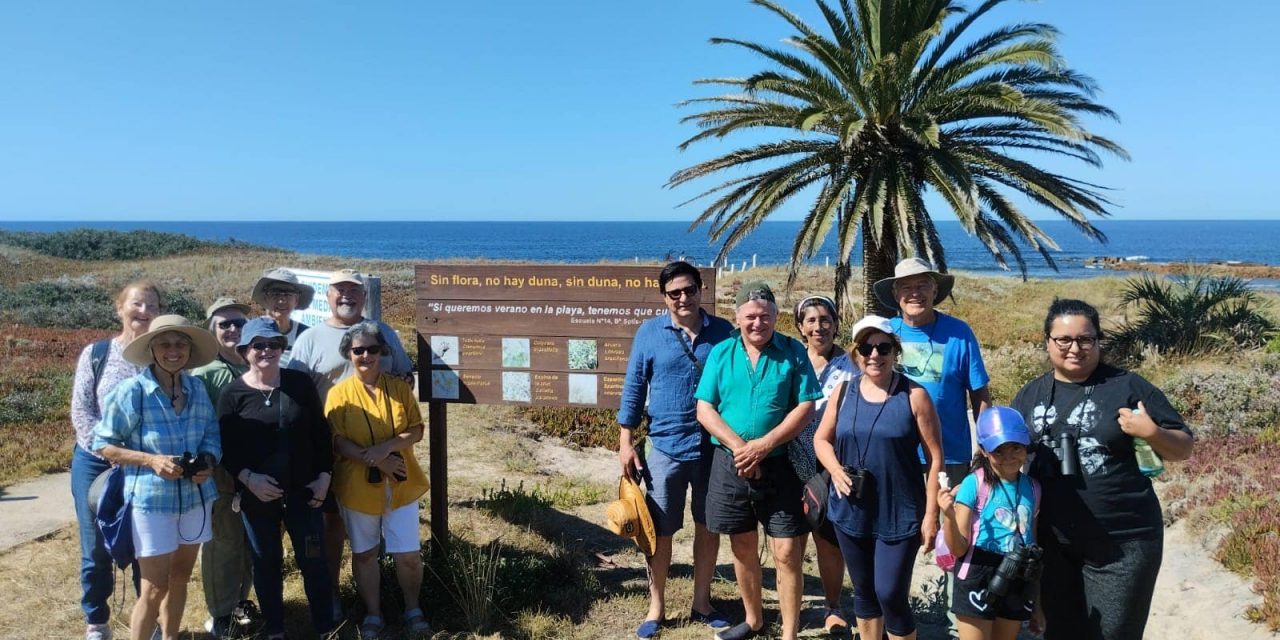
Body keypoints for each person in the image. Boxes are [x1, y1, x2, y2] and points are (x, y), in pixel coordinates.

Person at [1011, 299, 1193, 640]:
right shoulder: (1030, 394)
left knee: (1114, 634)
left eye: (1085, 339)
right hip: (1052, 543)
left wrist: (1152, 432)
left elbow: (1183, 447)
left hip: (1123, 542)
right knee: (1061, 633)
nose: (1075, 348)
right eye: (1064, 340)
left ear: (1098, 341)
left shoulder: (1128, 386)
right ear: (1047, 342)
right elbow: (1007, 456)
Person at [695, 281, 822, 640]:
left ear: (775, 317)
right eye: (750, 316)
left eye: (765, 316)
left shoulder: (793, 352)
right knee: (742, 544)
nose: (758, 323)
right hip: (730, 463)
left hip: (779, 463)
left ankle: (790, 634)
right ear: (737, 317)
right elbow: (705, 408)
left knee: (787, 550)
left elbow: (806, 406)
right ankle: (754, 620)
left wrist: (764, 445)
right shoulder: (721, 353)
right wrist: (742, 448)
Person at [617, 261, 733, 639]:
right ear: (664, 297)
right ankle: (657, 607)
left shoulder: (724, 333)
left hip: (713, 449)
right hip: (664, 448)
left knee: (707, 526)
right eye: (674, 293)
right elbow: (634, 388)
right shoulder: (649, 333)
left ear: (701, 290)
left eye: (689, 290)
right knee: (658, 531)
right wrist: (625, 442)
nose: (683, 298)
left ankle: (702, 602)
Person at [288, 268, 413, 611]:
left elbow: (406, 376)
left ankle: (383, 594)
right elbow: (295, 395)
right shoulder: (310, 339)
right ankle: (332, 595)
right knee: (332, 521)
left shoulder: (383, 332)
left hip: (383, 448)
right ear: (328, 295)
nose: (347, 296)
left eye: (354, 290)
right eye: (340, 290)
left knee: (384, 516)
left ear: (364, 296)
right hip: (332, 447)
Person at [91, 315, 222, 640]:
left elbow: (211, 436)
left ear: (189, 351)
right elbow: (103, 444)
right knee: (153, 587)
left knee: (180, 578)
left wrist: (208, 461)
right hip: (151, 502)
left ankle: (170, 637)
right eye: (164, 344)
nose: (173, 351)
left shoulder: (197, 389)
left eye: (180, 344)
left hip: (196, 499)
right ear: (151, 350)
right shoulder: (132, 392)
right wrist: (151, 460)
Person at [814, 315, 944, 640]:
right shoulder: (843, 392)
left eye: (883, 347)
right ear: (856, 353)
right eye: (866, 348)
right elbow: (821, 440)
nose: (874, 355)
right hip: (851, 509)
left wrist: (931, 515)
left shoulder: (914, 395)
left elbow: (935, 457)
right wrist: (835, 470)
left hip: (900, 510)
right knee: (864, 591)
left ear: (894, 351)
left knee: (890, 593)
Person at [218, 318, 335, 639]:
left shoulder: (299, 383)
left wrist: (324, 477)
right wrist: (248, 479)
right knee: (266, 563)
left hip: (305, 492)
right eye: (258, 345)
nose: (266, 350)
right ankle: (274, 630)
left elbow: (320, 433)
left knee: (314, 562)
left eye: (273, 344)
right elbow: (226, 447)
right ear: (245, 351)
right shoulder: (232, 394)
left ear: (282, 348)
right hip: (257, 496)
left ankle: (326, 627)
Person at [325, 322, 431, 640]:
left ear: (382, 352)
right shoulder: (338, 394)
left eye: (372, 349)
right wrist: (375, 460)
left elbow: (416, 429)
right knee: (364, 553)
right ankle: (373, 613)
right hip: (357, 488)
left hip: (401, 483)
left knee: (408, 554)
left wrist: (386, 448)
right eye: (358, 350)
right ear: (348, 354)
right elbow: (336, 441)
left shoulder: (399, 388)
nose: (366, 355)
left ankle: (413, 608)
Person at [70, 281, 159, 640]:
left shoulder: (162, 356)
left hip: (144, 464)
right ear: (120, 308)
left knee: (145, 546)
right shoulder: (97, 353)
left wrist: (140, 458)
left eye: (152, 305)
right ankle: (96, 621)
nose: (144, 311)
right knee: (95, 547)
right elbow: (82, 412)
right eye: (137, 304)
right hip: (95, 463)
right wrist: (111, 453)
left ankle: (148, 621)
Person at [937, 407, 1042, 640]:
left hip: (1018, 572)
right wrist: (948, 515)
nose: (1009, 457)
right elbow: (959, 549)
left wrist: (1037, 604)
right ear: (984, 450)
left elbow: (1032, 543)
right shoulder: (973, 484)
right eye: (998, 450)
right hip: (977, 572)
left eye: (1016, 447)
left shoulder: (1033, 488)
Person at [786, 295, 856, 633]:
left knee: (828, 539)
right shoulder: (790, 359)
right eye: (811, 321)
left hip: (831, 463)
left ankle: (833, 606)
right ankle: (792, 607)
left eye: (825, 320)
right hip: (789, 459)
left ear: (835, 324)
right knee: (791, 538)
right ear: (800, 326)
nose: (819, 327)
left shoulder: (851, 364)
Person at [189, 298, 256, 638]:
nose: (232, 329)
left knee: (249, 546)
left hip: (256, 474)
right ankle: (220, 615)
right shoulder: (205, 374)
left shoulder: (254, 363)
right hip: (222, 476)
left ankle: (239, 607)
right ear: (211, 331)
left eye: (239, 323)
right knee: (223, 545)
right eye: (224, 324)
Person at [251, 267, 314, 366]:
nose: (281, 300)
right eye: (275, 294)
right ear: (265, 298)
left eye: (288, 294)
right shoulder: (251, 332)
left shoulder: (306, 335)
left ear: (296, 300)